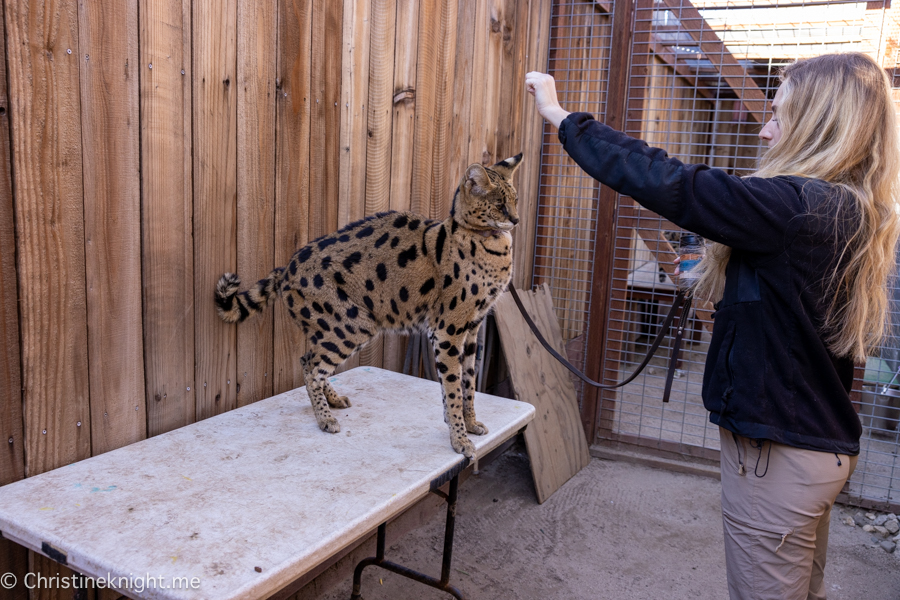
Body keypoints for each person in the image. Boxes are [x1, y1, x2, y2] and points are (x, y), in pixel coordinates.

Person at [526, 52, 900, 600]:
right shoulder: (848, 207)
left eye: (780, 115)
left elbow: (672, 182)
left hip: (778, 456)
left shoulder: (795, 206)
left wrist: (562, 117)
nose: (767, 130)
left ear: (821, 123)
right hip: (817, 446)